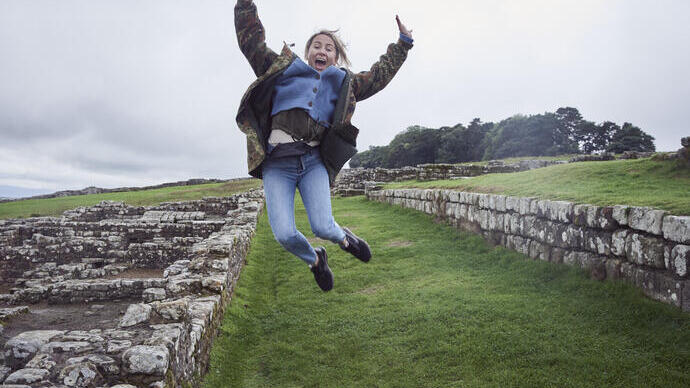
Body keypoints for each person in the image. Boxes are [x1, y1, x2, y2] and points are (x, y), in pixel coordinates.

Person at [234, 0, 413, 291]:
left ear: (336, 57)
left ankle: (345, 239)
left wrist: (403, 43)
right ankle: (316, 260)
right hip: (277, 164)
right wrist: (245, 5)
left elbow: (379, 76)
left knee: (323, 226)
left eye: (329, 48)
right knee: (284, 234)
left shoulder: (345, 83)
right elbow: (251, 42)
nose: (322, 50)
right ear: (308, 53)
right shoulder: (283, 69)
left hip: (313, 162)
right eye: (317, 46)